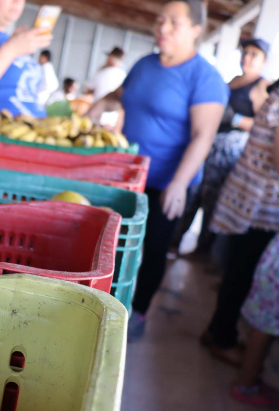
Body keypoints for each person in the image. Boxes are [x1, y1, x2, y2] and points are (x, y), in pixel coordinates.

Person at [87, 0, 227, 341]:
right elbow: (120, 95)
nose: (162, 28)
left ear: (197, 29)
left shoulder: (204, 78)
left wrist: (179, 183)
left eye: (174, 23)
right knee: (112, 244)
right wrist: (93, 108)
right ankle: (104, 303)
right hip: (127, 175)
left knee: (151, 248)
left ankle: (139, 313)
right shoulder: (145, 64)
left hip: (166, 182)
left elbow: (203, 135)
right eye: (160, 20)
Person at [201, 78, 279, 366]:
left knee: (237, 272)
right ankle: (223, 338)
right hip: (259, 206)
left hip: (252, 200)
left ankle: (217, 331)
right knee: (241, 274)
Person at [175, 38, 270, 259]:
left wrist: (235, 118)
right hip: (209, 143)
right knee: (192, 192)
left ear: (264, 60)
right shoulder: (234, 80)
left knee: (211, 200)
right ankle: (175, 242)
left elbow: (263, 125)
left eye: (253, 54)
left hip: (229, 148)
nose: (246, 57)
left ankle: (202, 250)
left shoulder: (262, 86)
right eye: (245, 53)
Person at [233, 234, 279, 407]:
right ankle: (244, 383)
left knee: (261, 327)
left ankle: (247, 378)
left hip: (273, 261)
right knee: (264, 330)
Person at [87, 47, 127, 128]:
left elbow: (89, 91)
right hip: (112, 121)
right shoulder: (124, 76)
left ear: (111, 59)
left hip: (95, 115)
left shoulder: (100, 73)